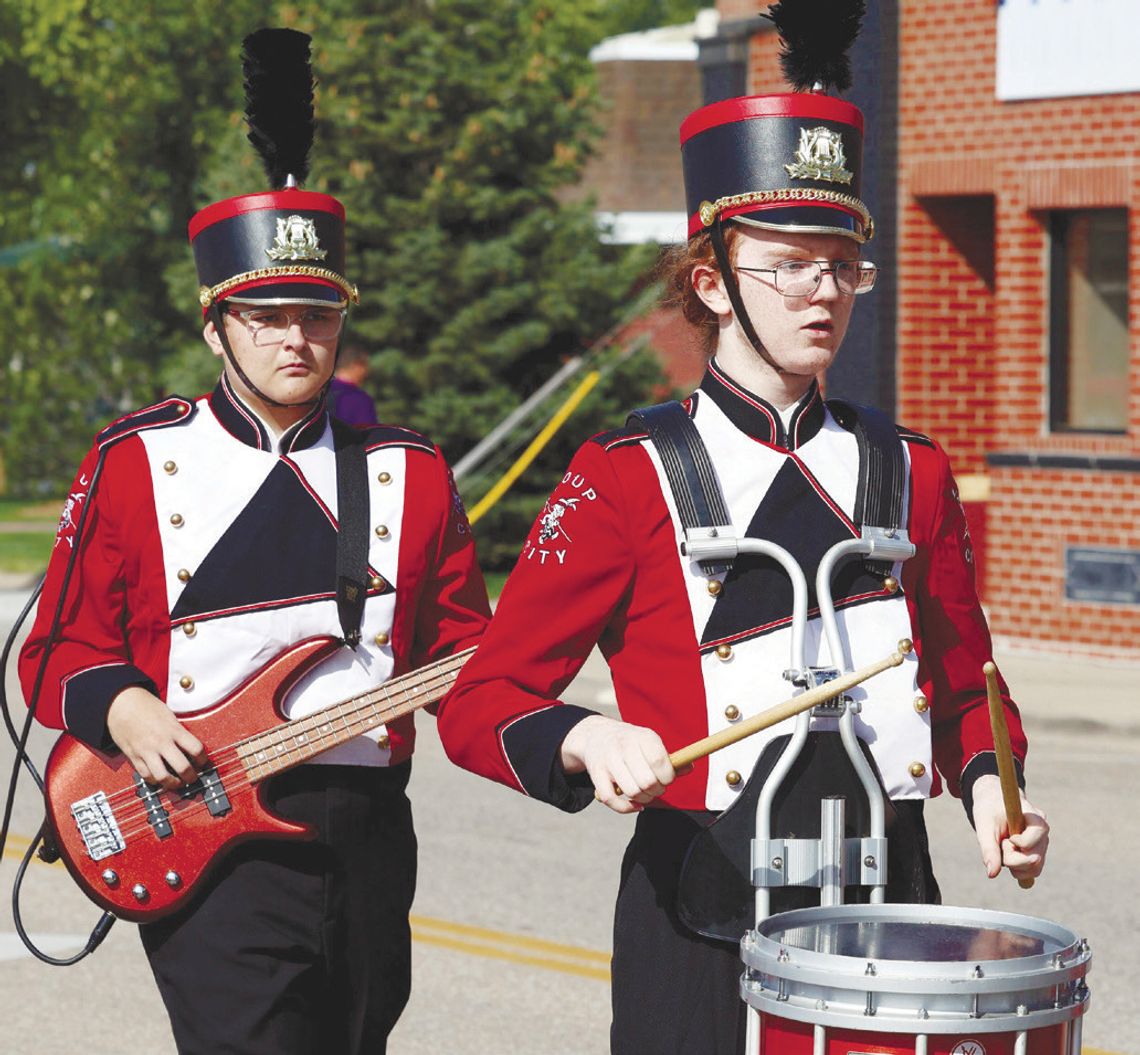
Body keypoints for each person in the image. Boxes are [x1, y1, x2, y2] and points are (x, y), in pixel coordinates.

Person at [436, 5, 1049, 1052]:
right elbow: (483, 699)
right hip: (699, 910)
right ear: (712, 281)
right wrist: (585, 734)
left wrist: (993, 784)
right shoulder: (625, 476)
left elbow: (964, 680)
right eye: (790, 263)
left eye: (840, 262)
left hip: (889, 899)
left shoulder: (915, 471)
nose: (823, 291)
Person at [19, 29, 488, 1055]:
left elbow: (471, 645)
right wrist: (127, 704)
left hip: (366, 825)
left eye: (314, 315)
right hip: (200, 822)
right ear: (214, 325)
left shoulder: (410, 470)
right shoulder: (137, 459)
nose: (294, 338)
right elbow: (53, 649)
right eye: (265, 315)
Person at [329, 341, 380, 426]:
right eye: (365, 366)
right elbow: (369, 435)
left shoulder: (318, 392)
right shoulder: (360, 399)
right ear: (356, 365)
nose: (367, 371)